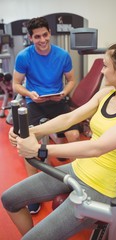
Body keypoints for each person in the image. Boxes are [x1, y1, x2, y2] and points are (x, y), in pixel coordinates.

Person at [1, 40, 116, 240]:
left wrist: (40, 150)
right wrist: (31, 132)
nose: (102, 72)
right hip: (76, 170)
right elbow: (70, 118)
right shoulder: (106, 94)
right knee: (9, 199)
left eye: (106, 66)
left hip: (98, 188)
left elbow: (97, 147)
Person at [12, 17, 80, 213]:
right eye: (37, 37)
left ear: (50, 33)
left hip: (57, 102)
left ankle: (77, 183)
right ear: (30, 38)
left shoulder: (62, 55)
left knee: (74, 135)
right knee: (29, 142)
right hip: (35, 103)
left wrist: (64, 93)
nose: (42, 40)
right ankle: (33, 190)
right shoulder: (24, 56)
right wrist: (29, 93)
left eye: (44, 35)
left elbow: (71, 80)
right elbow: (16, 84)